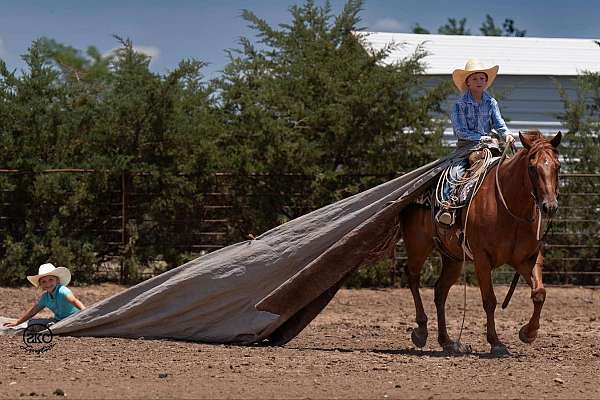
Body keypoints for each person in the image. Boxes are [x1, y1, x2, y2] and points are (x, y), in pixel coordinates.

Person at [438, 58, 515, 225]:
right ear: (468, 82)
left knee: (509, 169)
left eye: (482, 78)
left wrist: (507, 134)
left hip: (491, 145)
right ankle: (448, 206)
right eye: (474, 78)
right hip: (467, 146)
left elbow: (498, 122)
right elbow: (460, 131)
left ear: (486, 82)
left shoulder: (491, 102)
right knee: (455, 172)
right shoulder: (460, 105)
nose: (479, 81)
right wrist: (481, 138)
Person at [2, 263, 85, 327]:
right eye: (43, 281)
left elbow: (73, 300)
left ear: (57, 281)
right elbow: (33, 311)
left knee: (49, 326)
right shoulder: (45, 297)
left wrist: (85, 312)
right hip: (59, 320)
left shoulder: (62, 290)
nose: (47, 283)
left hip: (74, 318)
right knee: (32, 323)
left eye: (50, 280)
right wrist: (18, 322)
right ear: (40, 284)